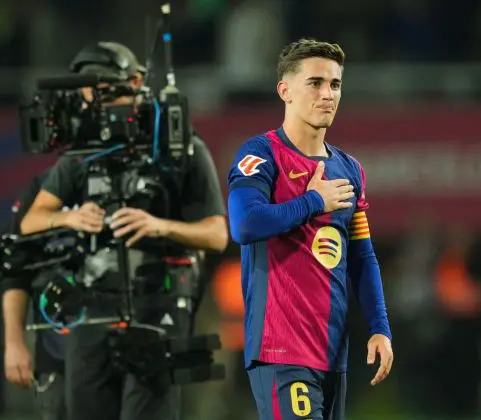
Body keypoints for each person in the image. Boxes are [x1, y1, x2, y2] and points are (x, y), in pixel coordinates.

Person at [20, 41, 228, 420]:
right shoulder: (79, 156)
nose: (95, 101)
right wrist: (70, 217)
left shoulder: (181, 148)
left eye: (105, 90)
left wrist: (158, 225)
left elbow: (217, 235)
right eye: (88, 92)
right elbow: (32, 220)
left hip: (158, 304)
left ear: (135, 84)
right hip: (92, 308)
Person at [227, 38, 394, 419]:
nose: (327, 94)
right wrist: (314, 202)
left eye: (335, 85)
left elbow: (361, 256)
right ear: (284, 91)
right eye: (315, 83)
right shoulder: (260, 154)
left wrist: (380, 327)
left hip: (333, 353)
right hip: (280, 349)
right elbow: (245, 223)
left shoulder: (349, 169)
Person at [2, 169, 67, 420]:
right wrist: (14, 342)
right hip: (58, 352)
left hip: (127, 352)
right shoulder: (45, 186)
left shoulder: (138, 182)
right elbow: (15, 271)